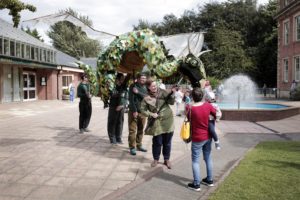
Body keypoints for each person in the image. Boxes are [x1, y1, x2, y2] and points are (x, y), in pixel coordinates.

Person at [140, 79, 176, 169]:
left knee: (167, 142)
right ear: (148, 87)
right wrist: (151, 114)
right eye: (152, 86)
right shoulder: (146, 98)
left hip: (168, 120)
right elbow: (142, 110)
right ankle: (156, 159)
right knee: (157, 142)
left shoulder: (163, 92)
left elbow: (171, 102)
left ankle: (166, 159)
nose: (155, 87)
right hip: (156, 122)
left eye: (155, 85)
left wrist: (172, 94)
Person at [187, 87, 216, 191]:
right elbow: (215, 114)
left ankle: (196, 184)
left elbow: (187, 119)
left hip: (197, 137)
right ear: (202, 96)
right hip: (208, 136)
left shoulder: (190, 108)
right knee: (208, 157)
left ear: (192, 97)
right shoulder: (208, 105)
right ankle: (209, 180)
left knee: (195, 161)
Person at [128, 73, 148, 155]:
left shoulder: (146, 87)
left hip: (143, 112)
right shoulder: (132, 86)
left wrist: (138, 92)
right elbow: (131, 100)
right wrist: (134, 110)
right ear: (138, 79)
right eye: (142, 78)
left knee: (141, 129)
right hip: (134, 112)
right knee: (132, 130)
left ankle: (139, 145)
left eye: (144, 78)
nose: (143, 80)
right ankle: (132, 147)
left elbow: (147, 97)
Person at [107, 73, 130, 144]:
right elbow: (111, 94)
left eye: (123, 79)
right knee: (112, 122)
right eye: (121, 79)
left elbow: (126, 95)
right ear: (117, 79)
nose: (123, 80)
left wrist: (123, 104)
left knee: (120, 122)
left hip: (121, 107)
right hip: (114, 106)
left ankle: (118, 137)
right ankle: (112, 137)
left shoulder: (124, 86)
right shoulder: (112, 86)